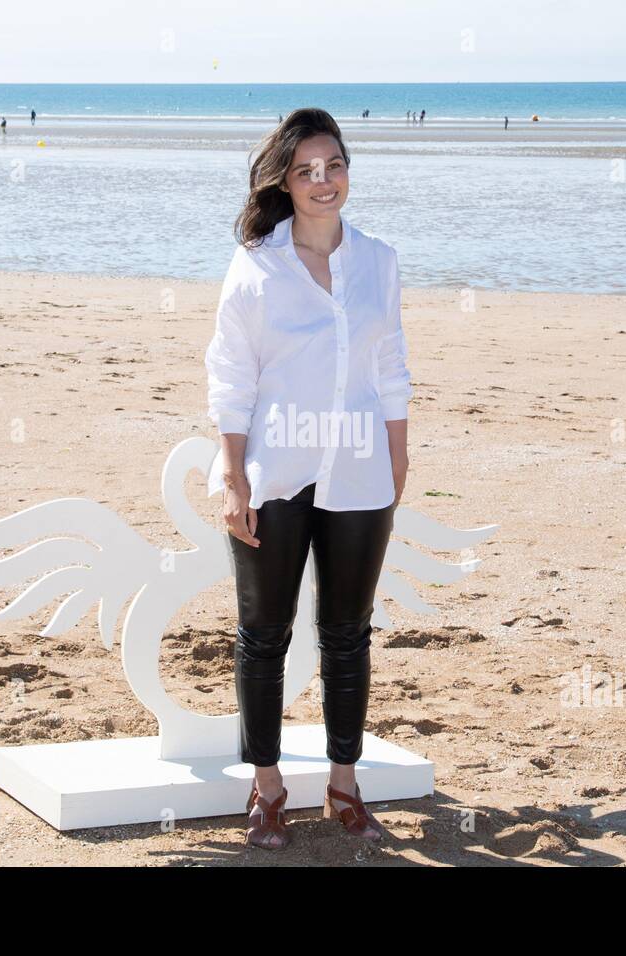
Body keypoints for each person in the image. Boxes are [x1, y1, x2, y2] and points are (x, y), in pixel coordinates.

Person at [204, 107, 411, 849]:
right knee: (263, 634)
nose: (324, 182)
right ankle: (266, 791)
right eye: (307, 171)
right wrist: (233, 478)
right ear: (284, 183)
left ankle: (343, 786)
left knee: (348, 634)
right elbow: (231, 376)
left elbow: (390, 363)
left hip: (359, 470)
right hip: (275, 471)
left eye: (335, 166)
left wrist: (399, 451)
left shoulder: (378, 260)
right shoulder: (256, 266)